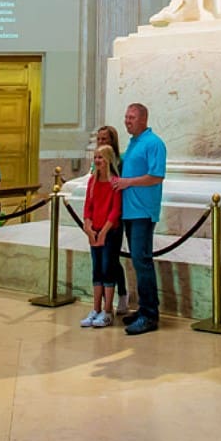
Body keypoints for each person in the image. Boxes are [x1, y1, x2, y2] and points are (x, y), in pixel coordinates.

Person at [111, 103, 167, 336]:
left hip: (143, 212)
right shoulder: (133, 144)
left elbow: (156, 176)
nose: (127, 121)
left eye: (131, 117)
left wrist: (128, 182)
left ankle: (150, 315)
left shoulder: (154, 143)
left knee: (142, 261)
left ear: (143, 119)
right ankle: (144, 308)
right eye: (125, 117)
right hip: (130, 211)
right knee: (137, 261)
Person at [80, 145, 123, 328]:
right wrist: (89, 228)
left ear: (108, 160)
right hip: (95, 230)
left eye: (101, 157)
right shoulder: (92, 182)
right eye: (95, 157)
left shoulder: (115, 182)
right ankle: (96, 308)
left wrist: (104, 231)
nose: (97, 161)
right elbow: (88, 206)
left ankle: (107, 310)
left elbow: (115, 211)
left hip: (109, 231)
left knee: (108, 269)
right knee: (97, 269)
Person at [95, 125, 129, 314]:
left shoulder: (120, 162)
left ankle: (122, 295)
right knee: (101, 262)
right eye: (99, 139)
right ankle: (99, 305)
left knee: (112, 260)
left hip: (114, 219)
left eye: (104, 139)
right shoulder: (97, 162)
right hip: (98, 219)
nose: (101, 142)